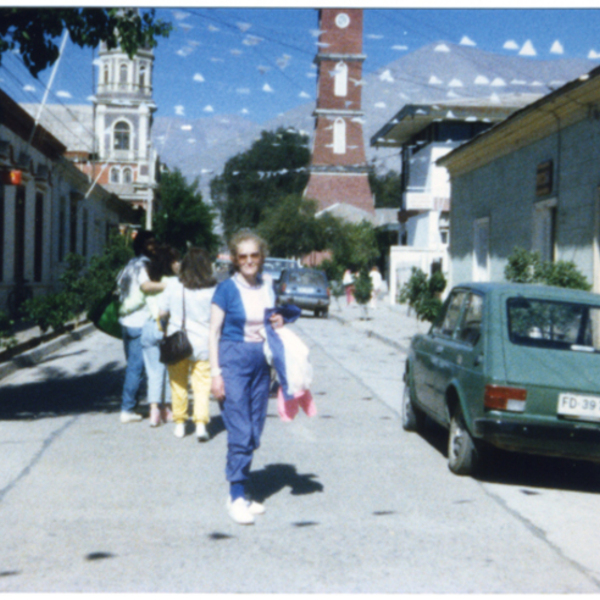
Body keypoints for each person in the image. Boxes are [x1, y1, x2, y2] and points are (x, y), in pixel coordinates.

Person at [209, 230, 286, 525]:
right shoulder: (226, 289)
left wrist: (277, 319)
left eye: (254, 255)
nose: (249, 261)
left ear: (261, 257)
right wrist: (216, 374)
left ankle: (238, 494)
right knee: (240, 429)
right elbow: (213, 333)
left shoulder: (267, 286)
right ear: (235, 259)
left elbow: (271, 319)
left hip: (260, 361)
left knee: (255, 428)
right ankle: (237, 496)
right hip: (233, 359)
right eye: (243, 256)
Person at [158, 248, 217, 441]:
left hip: (177, 342)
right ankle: (200, 425)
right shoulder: (213, 289)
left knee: (178, 384)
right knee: (201, 386)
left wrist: (164, 328)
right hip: (204, 343)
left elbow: (161, 312)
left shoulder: (174, 286)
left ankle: (180, 425)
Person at [117, 230, 158, 423]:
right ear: (142, 246)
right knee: (136, 368)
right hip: (138, 322)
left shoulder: (129, 265)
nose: (154, 247)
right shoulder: (142, 266)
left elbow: (118, 288)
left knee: (132, 366)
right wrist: (169, 286)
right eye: (150, 244)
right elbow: (146, 287)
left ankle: (130, 404)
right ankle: (127, 409)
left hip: (126, 321)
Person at [141, 244, 181, 427]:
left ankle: (153, 410)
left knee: (153, 371)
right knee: (168, 370)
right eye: (176, 260)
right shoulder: (174, 282)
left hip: (148, 326)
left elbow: (144, 288)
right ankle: (167, 409)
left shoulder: (150, 279)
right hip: (166, 326)